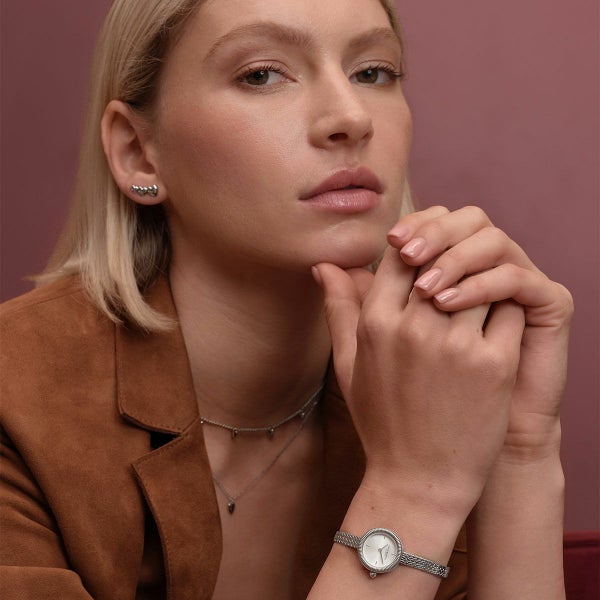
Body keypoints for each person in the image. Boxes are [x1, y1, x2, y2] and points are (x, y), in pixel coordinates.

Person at [0, 0, 573, 598]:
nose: (351, 117)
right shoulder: (16, 398)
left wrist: (520, 454)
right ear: (138, 151)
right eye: (262, 74)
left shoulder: (444, 383)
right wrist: (412, 492)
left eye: (372, 72)